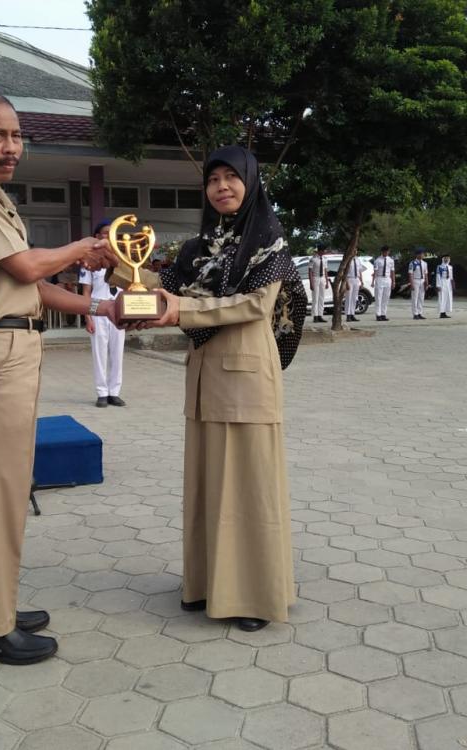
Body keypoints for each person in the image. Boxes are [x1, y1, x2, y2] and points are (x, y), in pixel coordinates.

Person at [0, 90, 119, 665]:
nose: (11, 146)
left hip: (13, 348)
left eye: (16, 135)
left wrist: (99, 309)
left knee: (11, 491)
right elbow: (24, 266)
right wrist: (84, 249)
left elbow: (33, 286)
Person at [113, 145, 307, 632]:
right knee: (206, 485)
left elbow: (253, 306)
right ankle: (205, 585)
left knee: (248, 487)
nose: (221, 186)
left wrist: (179, 312)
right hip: (203, 377)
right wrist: (115, 265)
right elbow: (164, 288)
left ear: (250, 182)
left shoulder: (269, 241)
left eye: (231, 177)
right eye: (213, 179)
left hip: (246, 377)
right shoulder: (198, 249)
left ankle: (255, 597)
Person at [80, 219, 126, 407]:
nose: (107, 236)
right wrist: (87, 317)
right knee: (99, 353)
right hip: (98, 311)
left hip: (118, 311)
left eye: (110, 233)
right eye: (103, 233)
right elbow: (85, 292)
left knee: (117, 353)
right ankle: (101, 392)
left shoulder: (123, 260)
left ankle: (114, 392)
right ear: (97, 237)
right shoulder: (88, 261)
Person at [373, 245, 394, 321]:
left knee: (386, 298)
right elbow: (375, 271)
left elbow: (392, 271)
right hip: (380, 278)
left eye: (387, 251)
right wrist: (373, 281)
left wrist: (393, 281)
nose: (386, 252)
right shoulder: (377, 260)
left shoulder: (391, 260)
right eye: (385, 251)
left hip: (387, 279)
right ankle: (378, 315)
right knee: (378, 298)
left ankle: (383, 314)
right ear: (382, 252)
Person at [308, 245, 329, 322]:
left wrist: (327, 281)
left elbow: (326, 271)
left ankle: (320, 315)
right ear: (320, 250)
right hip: (316, 278)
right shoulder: (313, 259)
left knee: (321, 297)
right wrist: (311, 282)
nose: (324, 252)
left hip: (322, 278)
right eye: (323, 250)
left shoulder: (325, 259)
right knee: (315, 298)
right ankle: (315, 316)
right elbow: (310, 271)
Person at [409, 248, 428, 320]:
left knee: (421, 298)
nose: (423, 255)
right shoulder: (412, 263)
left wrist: (427, 282)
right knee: (415, 298)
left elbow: (426, 273)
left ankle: (420, 313)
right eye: (421, 254)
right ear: (418, 254)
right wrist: (412, 284)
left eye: (423, 254)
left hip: (422, 281)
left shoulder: (424, 263)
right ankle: (415, 313)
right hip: (415, 280)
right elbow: (410, 274)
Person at [344, 253, 363, 323]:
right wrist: (346, 282)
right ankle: (348, 315)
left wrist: (361, 281)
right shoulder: (348, 260)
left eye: (356, 250)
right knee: (348, 298)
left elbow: (360, 271)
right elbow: (345, 272)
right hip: (350, 279)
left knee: (354, 298)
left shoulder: (358, 260)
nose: (355, 252)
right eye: (353, 250)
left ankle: (352, 314)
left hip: (356, 279)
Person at [437, 254, 455, 318]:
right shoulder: (439, 267)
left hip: (448, 283)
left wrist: (453, 285)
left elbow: (451, 277)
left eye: (448, 258)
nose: (446, 259)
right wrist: (438, 285)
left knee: (448, 298)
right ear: (443, 259)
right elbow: (438, 276)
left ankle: (445, 312)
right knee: (442, 298)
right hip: (442, 282)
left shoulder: (450, 267)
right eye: (445, 258)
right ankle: (441, 313)